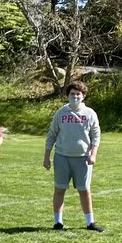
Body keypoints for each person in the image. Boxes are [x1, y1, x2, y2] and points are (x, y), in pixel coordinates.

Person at [43, 80, 103, 231]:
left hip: (83, 158)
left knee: (84, 190)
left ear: (83, 96)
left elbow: (96, 136)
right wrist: (46, 156)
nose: (75, 97)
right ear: (67, 95)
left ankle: (90, 223)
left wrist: (93, 154)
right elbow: (51, 135)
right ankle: (58, 222)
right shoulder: (61, 113)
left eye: (78, 94)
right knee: (59, 189)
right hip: (62, 157)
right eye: (72, 94)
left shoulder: (90, 114)